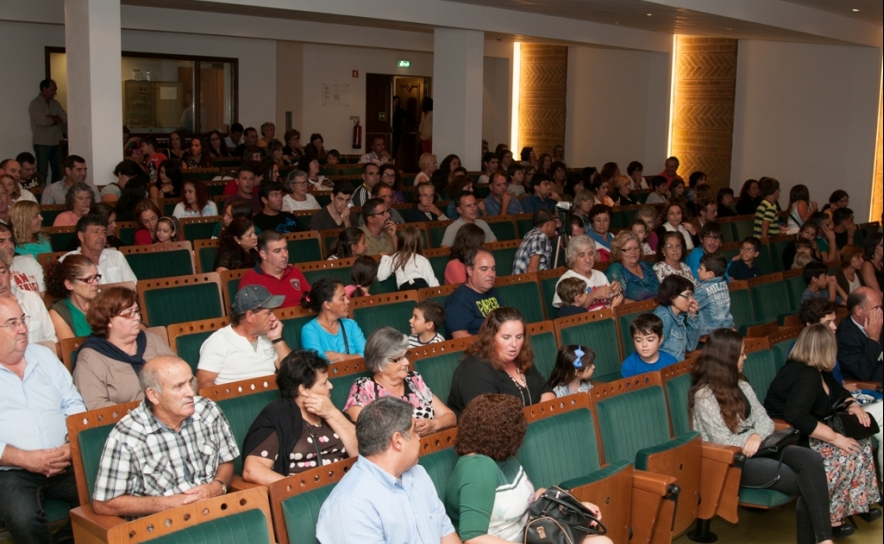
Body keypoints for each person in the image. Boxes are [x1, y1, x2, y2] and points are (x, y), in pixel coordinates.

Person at [690, 328, 835, 544]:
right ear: (726, 358)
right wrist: (753, 438)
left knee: (811, 459)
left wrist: (756, 436)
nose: (745, 357)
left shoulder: (741, 384)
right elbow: (723, 441)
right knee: (806, 482)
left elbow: (766, 420)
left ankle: (824, 540)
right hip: (731, 461)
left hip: (760, 447)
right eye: (741, 354)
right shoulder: (705, 396)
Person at [447, 393, 612, 544]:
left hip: (533, 535)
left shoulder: (505, 457)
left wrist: (576, 509)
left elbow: (529, 502)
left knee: (602, 543)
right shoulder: (478, 468)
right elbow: (473, 538)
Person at [764, 325, 881, 534]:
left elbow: (838, 391)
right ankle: (831, 518)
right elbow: (796, 416)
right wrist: (836, 438)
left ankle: (856, 504)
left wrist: (852, 405)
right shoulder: (806, 376)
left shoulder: (817, 370)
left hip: (811, 429)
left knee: (860, 444)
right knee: (845, 452)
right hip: (791, 437)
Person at [91, 356, 239, 518]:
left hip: (214, 513)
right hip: (162, 523)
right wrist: (164, 504)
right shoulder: (127, 435)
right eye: (179, 386)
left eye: (190, 382)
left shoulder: (207, 409)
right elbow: (104, 504)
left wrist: (217, 486)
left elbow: (226, 460)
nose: (191, 392)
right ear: (154, 395)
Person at [316, 396, 459, 544]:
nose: (419, 438)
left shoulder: (418, 473)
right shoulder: (351, 505)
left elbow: (446, 534)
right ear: (398, 441)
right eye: (414, 432)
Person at [0, 297, 84, 544]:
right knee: (24, 519)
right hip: (12, 472)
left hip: (64, 460)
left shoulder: (44, 356)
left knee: (107, 496)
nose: (23, 328)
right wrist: (24, 458)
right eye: (12, 323)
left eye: (22, 320)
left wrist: (71, 445)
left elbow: (73, 403)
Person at [241, 350, 357, 484]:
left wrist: (332, 413)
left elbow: (362, 454)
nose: (331, 386)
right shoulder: (278, 416)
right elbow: (252, 470)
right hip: (303, 492)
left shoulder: (331, 411)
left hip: (346, 486)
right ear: (304, 390)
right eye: (324, 383)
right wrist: (298, 487)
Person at [72, 287, 175, 410]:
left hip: (171, 411)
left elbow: (185, 378)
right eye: (129, 314)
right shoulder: (90, 357)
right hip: (127, 420)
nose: (137, 318)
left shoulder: (152, 340)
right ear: (108, 320)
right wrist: (143, 414)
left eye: (136, 311)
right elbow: (96, 406)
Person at [344, 327, 456, 435]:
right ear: (379, 364)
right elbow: (361, 434)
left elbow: (450, 417)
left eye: (406, 355)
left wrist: (434, 424)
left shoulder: (414, 379)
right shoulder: (363, 387)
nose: (407, 362)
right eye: (398, 359)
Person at [448, 307, 555, 416]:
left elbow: (546, 390)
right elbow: (490, 418)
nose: (514, 344)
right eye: (506, 337)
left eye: (519, 337)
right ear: (491, 338)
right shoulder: (475, 370)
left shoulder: (521, 358)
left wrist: (541, 415)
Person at [197, 285, 290, 389]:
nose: (274, 318)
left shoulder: (269, 336)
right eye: (268, 313)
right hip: (237, 398)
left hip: (273, 396)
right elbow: (204, 384)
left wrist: (277, 338)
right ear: (249, 316)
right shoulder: (218, 341)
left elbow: (293, 373)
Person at [301, 277, 367, 361]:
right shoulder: (310, 330)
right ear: (327, 305)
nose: (348, 301)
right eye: (342, 298)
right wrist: (356, 357)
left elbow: (369, 355)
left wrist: (341, 357)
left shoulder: (351, 325)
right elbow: (318, 364)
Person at [552, 234, 623, 312]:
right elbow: (567, 312)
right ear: (572, 258)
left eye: (590, 254)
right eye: (582, 255)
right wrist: (593, 295)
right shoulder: (566, 280)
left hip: (608, 317)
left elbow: (610, 305)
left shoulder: (600, 275)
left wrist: (614, 294)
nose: (588, 260)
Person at [238, 231, 310, 307]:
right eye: (277, 251)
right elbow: (249, 312)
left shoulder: (294, 271)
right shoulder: (250, 280)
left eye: (285, 249)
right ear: (263, 254)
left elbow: (311, 299)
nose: (285, 255)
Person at [62, 214, 137, 284]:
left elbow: (133, 285)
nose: (102, 236)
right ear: (81, 236)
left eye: (104, 232)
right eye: (96, 232)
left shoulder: (117, 256)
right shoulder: (68, 261)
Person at [444, 250, 502, 338]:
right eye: (484, 269)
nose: (491, 274)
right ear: (470, 270)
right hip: (480, 345)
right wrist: (494, 343)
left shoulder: (491, 290)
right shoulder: (458, 300)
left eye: (493, 269)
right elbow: (461, 339)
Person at [0, 257, 56, 346]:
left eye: (2, 272)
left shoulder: (32, 298)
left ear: (10, 274)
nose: (0, 281)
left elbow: (52, 339)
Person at [836, 287, 883, 383]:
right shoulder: (844, 337)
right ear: (858, 310)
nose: (881, 312)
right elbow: (863, 373)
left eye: (881, 307)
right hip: (871, 386)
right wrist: (873, 339)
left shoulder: (878, 321)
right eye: (876, 308)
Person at [653, 275, 700, 361]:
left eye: (691, 295)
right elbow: (654, 351)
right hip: (667, 367)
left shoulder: (680, 316)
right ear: (672, 297)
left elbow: (690, 347)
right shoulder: (663, 317)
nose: (691, 300)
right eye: (687, 295)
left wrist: (693, 316)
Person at [376, 225, 438, 290]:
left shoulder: (396, 257)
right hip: (422, 288)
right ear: (419, 243)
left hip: (406, 291)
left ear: (400, 241)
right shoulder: (423, 259)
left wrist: (384, 258)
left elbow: (381, 276)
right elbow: (433, 284)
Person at [29, 79, 67, 184]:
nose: (55, 93)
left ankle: (56, 193)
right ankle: (42, 193)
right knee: (42, 173)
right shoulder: (35, 104)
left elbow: (65, 118)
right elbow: (42, 121)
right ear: (44, 89)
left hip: (57, 142)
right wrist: (57, 119)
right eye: (52, 90)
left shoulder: (56, 103)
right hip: (42, 143)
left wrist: (51, 117)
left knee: (59, 171)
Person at [606, 231, 659, 302]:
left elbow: (660, 288)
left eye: (636, 248)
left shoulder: (645, 264)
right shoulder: (615, 269)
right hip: (637, 308)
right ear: (618, 251)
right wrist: (644, 306)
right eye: (628, 249)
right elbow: (619, 300)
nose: (633, 252)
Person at [621, 313, 678, 378]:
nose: (644, 345)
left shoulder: (671, 361)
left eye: (650, 340)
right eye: (638, 340)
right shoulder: (629, 366)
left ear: (660, 340)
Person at [692, 253, 734, 336]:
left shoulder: (703, 290)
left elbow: (691, 306)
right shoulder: (724, 285)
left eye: (701, 268)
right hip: (727, 327)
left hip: (710, 332)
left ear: (710, 274)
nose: (698, 270)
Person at [0, 223, 44, 292]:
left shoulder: (29, 262)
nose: (10, 246)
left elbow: (44, 294)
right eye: (1, 241)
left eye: (11, 240)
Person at [512, 210, 556, 275]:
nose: (555, 225)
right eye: (554, 222)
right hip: (526, 280)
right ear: (548, 224)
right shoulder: (540, 237)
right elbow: (532, 270)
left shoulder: (531, 234)